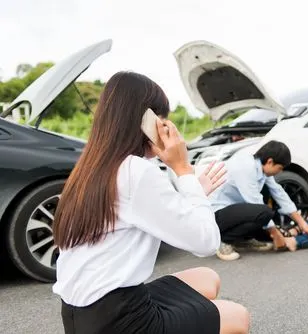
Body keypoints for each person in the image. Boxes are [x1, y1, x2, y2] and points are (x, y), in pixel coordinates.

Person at [52, 71, 249, 334]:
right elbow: (206, 242)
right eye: (161, 118)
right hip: (118, 321)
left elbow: (151, 213)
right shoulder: (135, 171)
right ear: (145, 120)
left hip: (83, 314)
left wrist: (195, 192)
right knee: (237, 317)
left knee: (207, 278)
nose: (165, 126)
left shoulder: (93, 167)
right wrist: (183, 169)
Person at [209, 140, 308, 261]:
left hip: (231, 211)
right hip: (215, 215)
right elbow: (255, 203)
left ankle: (241, 240)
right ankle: (224, 241)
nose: (280, 172)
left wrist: (301, 222)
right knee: (264, 212)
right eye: (280, 168)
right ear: (270, 161)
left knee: (264, 210)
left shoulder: (260, 168)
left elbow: (279, 192)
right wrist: (276, 235)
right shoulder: (245, 168)